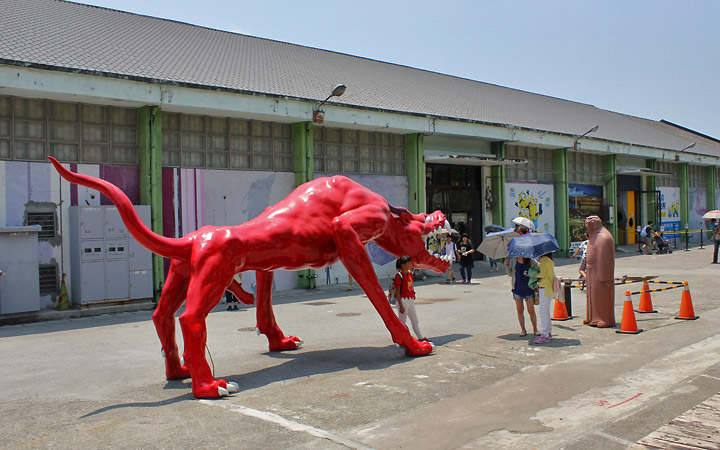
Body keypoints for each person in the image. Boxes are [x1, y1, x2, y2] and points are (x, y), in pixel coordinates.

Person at [393, 255, 428, 342]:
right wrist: (400, 305)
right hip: (403, 301)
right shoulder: (399, 276)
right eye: (409, 263)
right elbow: (397, 292)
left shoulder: (409, 274)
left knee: (415, 320)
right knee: (402, 322)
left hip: (410, 299)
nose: (411, 265)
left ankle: (420, 337)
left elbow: (410, 286)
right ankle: (400, 339)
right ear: (403, 265)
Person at [508, 256, 538, 336]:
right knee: (520, 310)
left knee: (531, 310)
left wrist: (531, 273)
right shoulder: (513, 260)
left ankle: (535, 329)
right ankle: (523, 330)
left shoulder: (531, 260)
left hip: (529, 287)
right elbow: (510, 273)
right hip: (517, 287)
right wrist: (506, 266)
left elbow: (538, 269)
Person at [534, 252, 556, 344]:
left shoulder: (543, 260)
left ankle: (545, 334)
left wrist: (533, 274)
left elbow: (542, 274)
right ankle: (548, 332)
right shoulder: (549, 261)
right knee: (546, 311)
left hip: (544, 288)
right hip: (549, 288)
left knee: (543, 312)